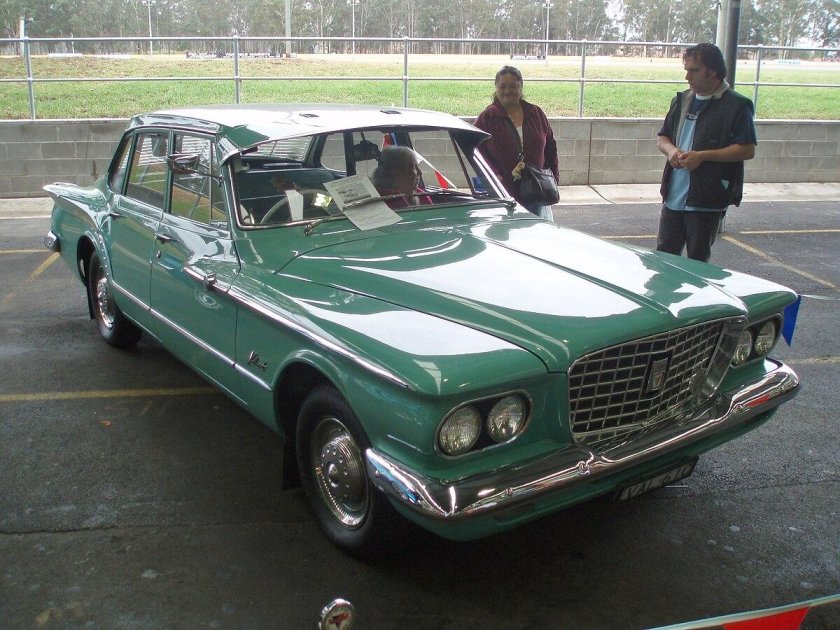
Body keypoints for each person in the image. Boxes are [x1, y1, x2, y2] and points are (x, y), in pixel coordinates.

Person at [656, 42, 757, 262]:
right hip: (673, 197)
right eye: (686, 70)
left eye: (693, 70)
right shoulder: (681, 101)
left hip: (706, 201)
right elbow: (662, 138)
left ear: (712, 71)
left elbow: (747, 149)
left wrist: (703, 156)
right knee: (663, 260)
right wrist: (671, 150)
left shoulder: (737, 105)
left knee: (697, 263)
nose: (687, 77)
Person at [474, 65, 559, 222]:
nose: (508, 91)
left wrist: (553, 178)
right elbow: (474, 150)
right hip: (504, 194)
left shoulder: (536, 114)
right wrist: (495, 176)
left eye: (513, 86)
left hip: (536, 192)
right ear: (496, 88)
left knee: (536, 238)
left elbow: (551, 149)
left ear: (521, 87)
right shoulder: (488, 118)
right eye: (503, 86)